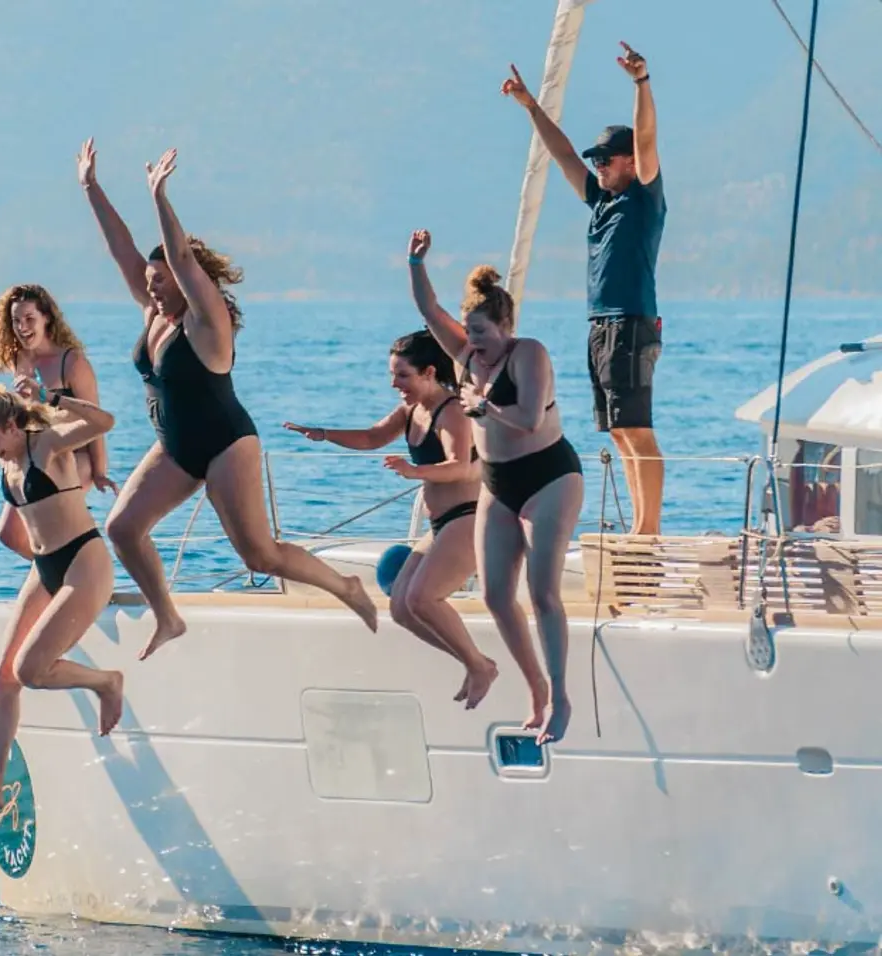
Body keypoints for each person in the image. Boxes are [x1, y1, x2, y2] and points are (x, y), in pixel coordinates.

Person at [78, 140, 378, 660]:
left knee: (259, 555)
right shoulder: (155, 313)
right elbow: (124, 251)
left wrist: (160, 198)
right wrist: (92, 189)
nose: (151, 289)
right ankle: (167, 618)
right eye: (149, 283)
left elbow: (182, 259)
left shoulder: (206, 320)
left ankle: (346, 587)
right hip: (175, 447)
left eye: (161, 280)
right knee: (123, 529)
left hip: (224, 445)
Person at [407, 230, 583, 744]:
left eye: (482, 331)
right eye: (469, 331)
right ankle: (535, 692)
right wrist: (416, 263)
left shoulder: (529, 355)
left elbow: (529, 419)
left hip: (549, 477)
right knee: (495, 595)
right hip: (499, 483)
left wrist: (484, 407)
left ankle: (562, 694)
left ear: (505, 326)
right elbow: (427, 308)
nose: (475, 340)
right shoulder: (464, 357)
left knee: (542, 593)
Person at [0, 363, 125, 814]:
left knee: (31, 671)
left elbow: (104, 422)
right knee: (3, 678)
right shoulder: (8, 447)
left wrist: (53, 399)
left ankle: (105, 682)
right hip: (46, 567)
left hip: (83, 561)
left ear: (14, 426)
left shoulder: (46, 444)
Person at [283, 330, 498, 707]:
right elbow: (371, 437)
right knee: (401, 608)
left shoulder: (452, 412)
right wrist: (321, 433)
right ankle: (475, 662)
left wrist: (415, 472)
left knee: (423, 598)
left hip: (467, 517)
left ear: (429, 371)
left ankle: (479, 666)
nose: (394, 384)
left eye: (402, 375)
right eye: (393, 374)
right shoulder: (412, 410)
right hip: (441, 523)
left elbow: (461, 467)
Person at [501, 42, 665, 535]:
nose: (598, 167)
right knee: (617, 429)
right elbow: (564, 152)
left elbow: (649, 139)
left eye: (607, 160)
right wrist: (532, 107)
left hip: (630, 319)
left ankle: (648, 529)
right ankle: (641, 524)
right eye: (598, 161)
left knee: (637, 428)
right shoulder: (600, 201)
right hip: (600, 324)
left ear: (629, 162)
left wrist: (641, 83)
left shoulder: (643, 196)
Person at [0, 283, 116, 560]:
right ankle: (58, 577)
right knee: (10, 535)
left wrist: (99, 471)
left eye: (29, 319)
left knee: (51, 530)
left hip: (75, 455)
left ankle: (83, 578)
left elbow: (95, 417)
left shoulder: (71, 361)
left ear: (46, 318)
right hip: (36, 456)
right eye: (16, 321)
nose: (22, 327)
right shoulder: (18, 359)